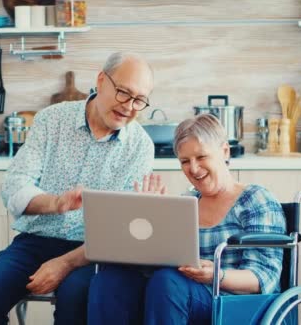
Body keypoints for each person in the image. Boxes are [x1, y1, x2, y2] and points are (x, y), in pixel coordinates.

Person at [0, 52, 157, 325]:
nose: (129, 106)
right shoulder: (51, 120)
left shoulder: (140, 146)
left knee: (76, 298)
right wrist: (55, 203)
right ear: (102, 80)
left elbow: (123, 229)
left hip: (93, 251)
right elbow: (15, 185)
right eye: (124, 93)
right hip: (34, 242)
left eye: (139, 100)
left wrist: (65, 263)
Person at [88, 113, 286, 325]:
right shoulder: (186, 203)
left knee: (168, 283)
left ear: (225, 151)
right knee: (109, 281)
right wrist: (151, 219)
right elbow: (161, 265)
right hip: (184, 294)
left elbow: (264, 277)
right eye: (185, 161)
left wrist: (216, 275)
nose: (193, 168)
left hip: (238, 304)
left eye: (201, 157)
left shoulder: (255, 200)